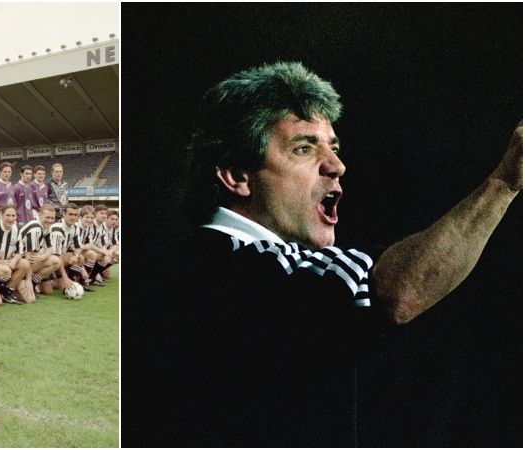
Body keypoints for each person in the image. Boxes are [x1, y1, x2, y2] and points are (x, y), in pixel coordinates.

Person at [179, 61, 523, 446]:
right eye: (304, 148)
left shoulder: (219, 266)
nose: (336, 166)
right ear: (238, 176)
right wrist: (505, 182)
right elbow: (396, 293)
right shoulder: (227, 267)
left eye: (334, 148)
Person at [0, 204, 31, 304]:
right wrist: (2, 262)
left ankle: (7, 291)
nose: (11, 219)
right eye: (8, 215)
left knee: (24, 263)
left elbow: (19, 252)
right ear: (1, 215)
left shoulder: (16, 229)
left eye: (13, 216)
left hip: (7, 264)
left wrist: (14, 260)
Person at [18, 204, 60, 295]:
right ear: (40, 215)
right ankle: (26, 281)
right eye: (47, 217)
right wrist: (28, 280)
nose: (50, 221)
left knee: (48, 291)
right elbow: (30, 258)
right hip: (20, 262)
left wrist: (42, 257)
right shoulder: (36, 228)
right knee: (55, 261)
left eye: (52, 218)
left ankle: (34, 282)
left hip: (27, 261)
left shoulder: (44, 226)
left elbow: (50, 248)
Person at [46, 202, 81, 296]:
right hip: (48, 260)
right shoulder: (57, 228)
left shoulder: (75, 227)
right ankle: (47, 280)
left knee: (80, 257)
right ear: (64, 214)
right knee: (47, 291)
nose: (73, 217)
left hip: (58, 259)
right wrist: (65, 277)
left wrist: (76, 256)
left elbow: (78, 247)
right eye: (70, 214)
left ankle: (72, 282)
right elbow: (56, 256)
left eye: (75, 215)